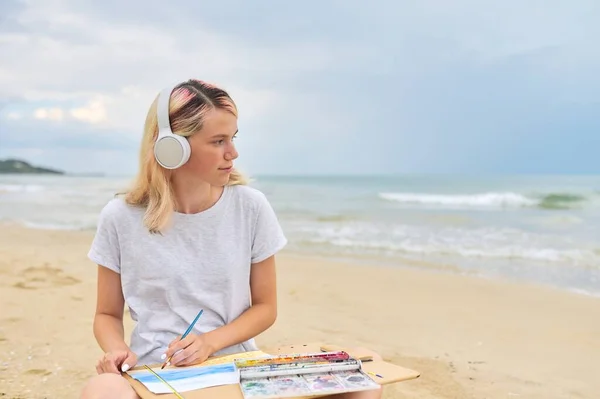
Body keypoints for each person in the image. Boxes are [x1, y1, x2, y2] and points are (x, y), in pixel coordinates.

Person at [79, 79, 382, 399]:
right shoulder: (119, 217)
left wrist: (210, 342)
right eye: (218, 141)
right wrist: (117, 351)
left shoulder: (250, 207)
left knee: (364, 370)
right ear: (172, 148)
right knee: (103, 389)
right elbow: (107, 315)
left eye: (233, 138)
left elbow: (265, 307)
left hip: (238, 373)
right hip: (157, 376)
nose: (233, 153)